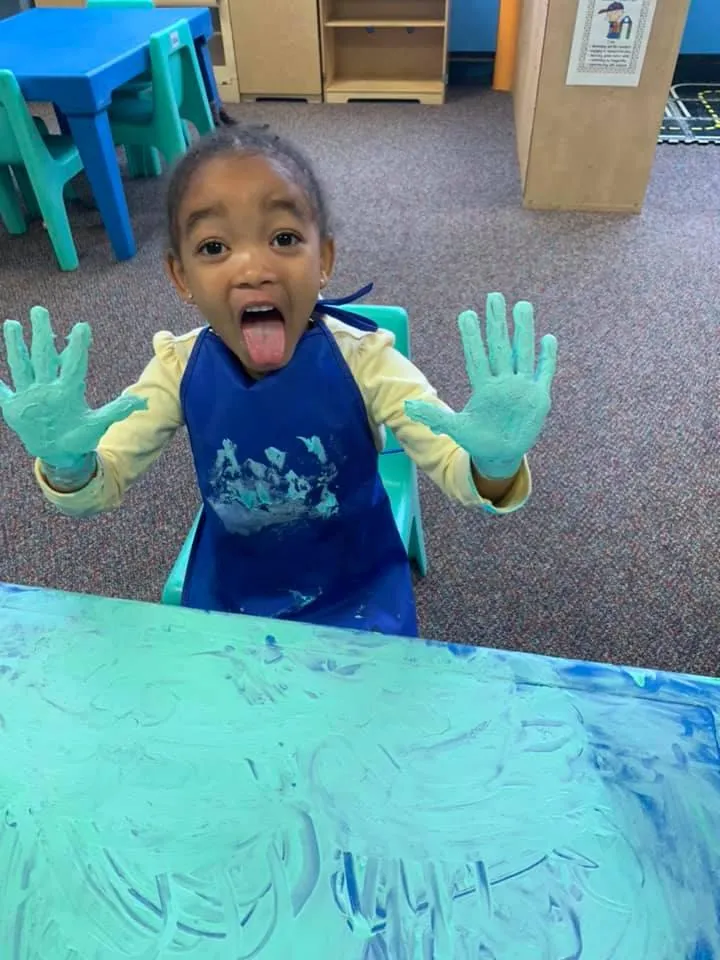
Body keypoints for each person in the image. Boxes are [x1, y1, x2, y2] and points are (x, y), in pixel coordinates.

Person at [0, 127, 558, 637]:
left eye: (285, 238)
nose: (253, 268)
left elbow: (454, 463)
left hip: (356, 587)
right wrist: (70, 467)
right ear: (180, 277)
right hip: (231, 589)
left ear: (325, 260)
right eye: (214, 247)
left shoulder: (367, 360)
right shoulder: (176, 366)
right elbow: (104, 481)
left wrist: (494, 464)